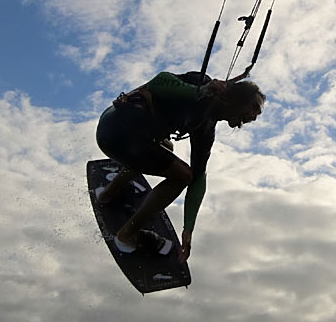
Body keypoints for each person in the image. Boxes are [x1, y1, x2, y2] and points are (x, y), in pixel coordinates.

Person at [95, 69, 265, 263]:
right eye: (248, 112)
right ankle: (127, 234)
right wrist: (201, 90)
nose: (246, 121)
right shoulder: (199, 84)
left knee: (167, 147)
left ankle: (108, 193)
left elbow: (199, 176)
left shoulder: (206, 128)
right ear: (231, 100)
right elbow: (158, 82)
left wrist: (188, 228)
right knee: (182, 175)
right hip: (116, 132)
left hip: (117, 137)